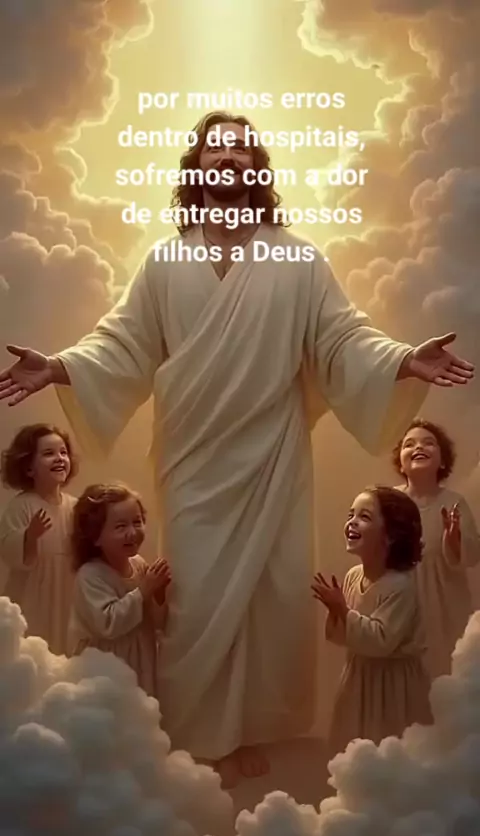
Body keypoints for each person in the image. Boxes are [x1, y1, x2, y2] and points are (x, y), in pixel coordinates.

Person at [0, 111, 474, 788]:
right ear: (197, 167)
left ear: (257, 168)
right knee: (195, 600)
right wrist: (57, 367)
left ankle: (257, 734)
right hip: (193, 456)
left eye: (241, 151)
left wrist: (401, 359)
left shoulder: (297, 258)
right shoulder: (165, 261)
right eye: (215, 151)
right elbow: (123, 341)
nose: (228, 160)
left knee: (270, 595)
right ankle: (200, 738)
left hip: (273, 453)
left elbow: (341, 337)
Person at [312, 486, 432, 758]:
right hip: (359, 677)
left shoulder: (400, 587)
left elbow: (381, 641)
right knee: (352, 743)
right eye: (350, 515)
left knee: (389, 750)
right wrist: (336, 611)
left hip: (394, 686)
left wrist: (343, 610)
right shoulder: (354, 576)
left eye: (364, 517)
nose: (352, 522)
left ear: (391, 535)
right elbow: (342, 636)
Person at [393, 419, 480, 678]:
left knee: (443, 673)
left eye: (428, 442)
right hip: (401, 606)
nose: (419, 447)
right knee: (406, 677)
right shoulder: (388, 502)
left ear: (442, 461)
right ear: (400, 464)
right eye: (409, 444)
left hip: (445, 606)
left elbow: (473, 554)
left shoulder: (454, 503)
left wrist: (453, 540)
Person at [69, 482, 171, 699]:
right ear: (95, 536)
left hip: (141, 661)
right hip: (108, 668)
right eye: (121, 526)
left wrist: (158, 594)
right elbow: (108, 623)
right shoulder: (90, 576)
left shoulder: (138, 564)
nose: (132, 532)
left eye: (137, 522)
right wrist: (144, 590)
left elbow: (156, 622)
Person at [0, 423, 78, 654]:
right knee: (33, 648)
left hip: (66, 589)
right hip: (32, 592)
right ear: (28, 468)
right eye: (48, 453)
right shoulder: (21, 506)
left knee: (65, 645)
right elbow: (9, 550)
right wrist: (29, 537)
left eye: (63, 452)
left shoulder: (75, 507)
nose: (59, 458)